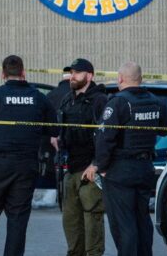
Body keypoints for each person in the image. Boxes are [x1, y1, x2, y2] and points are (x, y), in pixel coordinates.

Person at [0, 55, 58, 256]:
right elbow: (54, 128)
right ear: (23, 72)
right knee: (18, 221)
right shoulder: (39, 98)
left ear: (2, 74)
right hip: (26, 165)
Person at [93, 62, 167, 256]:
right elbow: (165, 128)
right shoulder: (155, 101)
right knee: (142, 219)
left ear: (120, 78)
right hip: (145, 167)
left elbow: (105, 138)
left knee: (123, 223)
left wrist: (101, 167)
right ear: (140, 78)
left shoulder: (118, 103)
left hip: (120, 171)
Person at [57, 58, 108, 256]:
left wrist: (96, 165)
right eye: (71, 72)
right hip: (70, 168)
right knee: (70, 222)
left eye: (77, 72)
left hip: (90, 171)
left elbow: (107, 137)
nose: (73, 76)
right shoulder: (67, 100)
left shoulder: (99, 100)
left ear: (90, 76)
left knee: (92, 222)